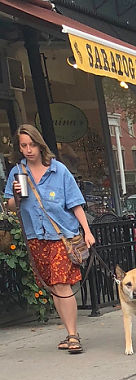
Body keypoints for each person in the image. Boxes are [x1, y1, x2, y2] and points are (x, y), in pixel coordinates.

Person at [4, 124, 95, 354]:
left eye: (32, 145)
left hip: (61, 236)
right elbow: (11, 207)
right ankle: (69, 332)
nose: (28, 150)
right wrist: (16, 195)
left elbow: (76, 204)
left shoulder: (58, 170)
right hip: (36, 237)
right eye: (23, 145)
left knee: (62, 284)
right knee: (54, 286)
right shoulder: (17, 172)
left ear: (40, 145)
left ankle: (73, 335)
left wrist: (87, 231)